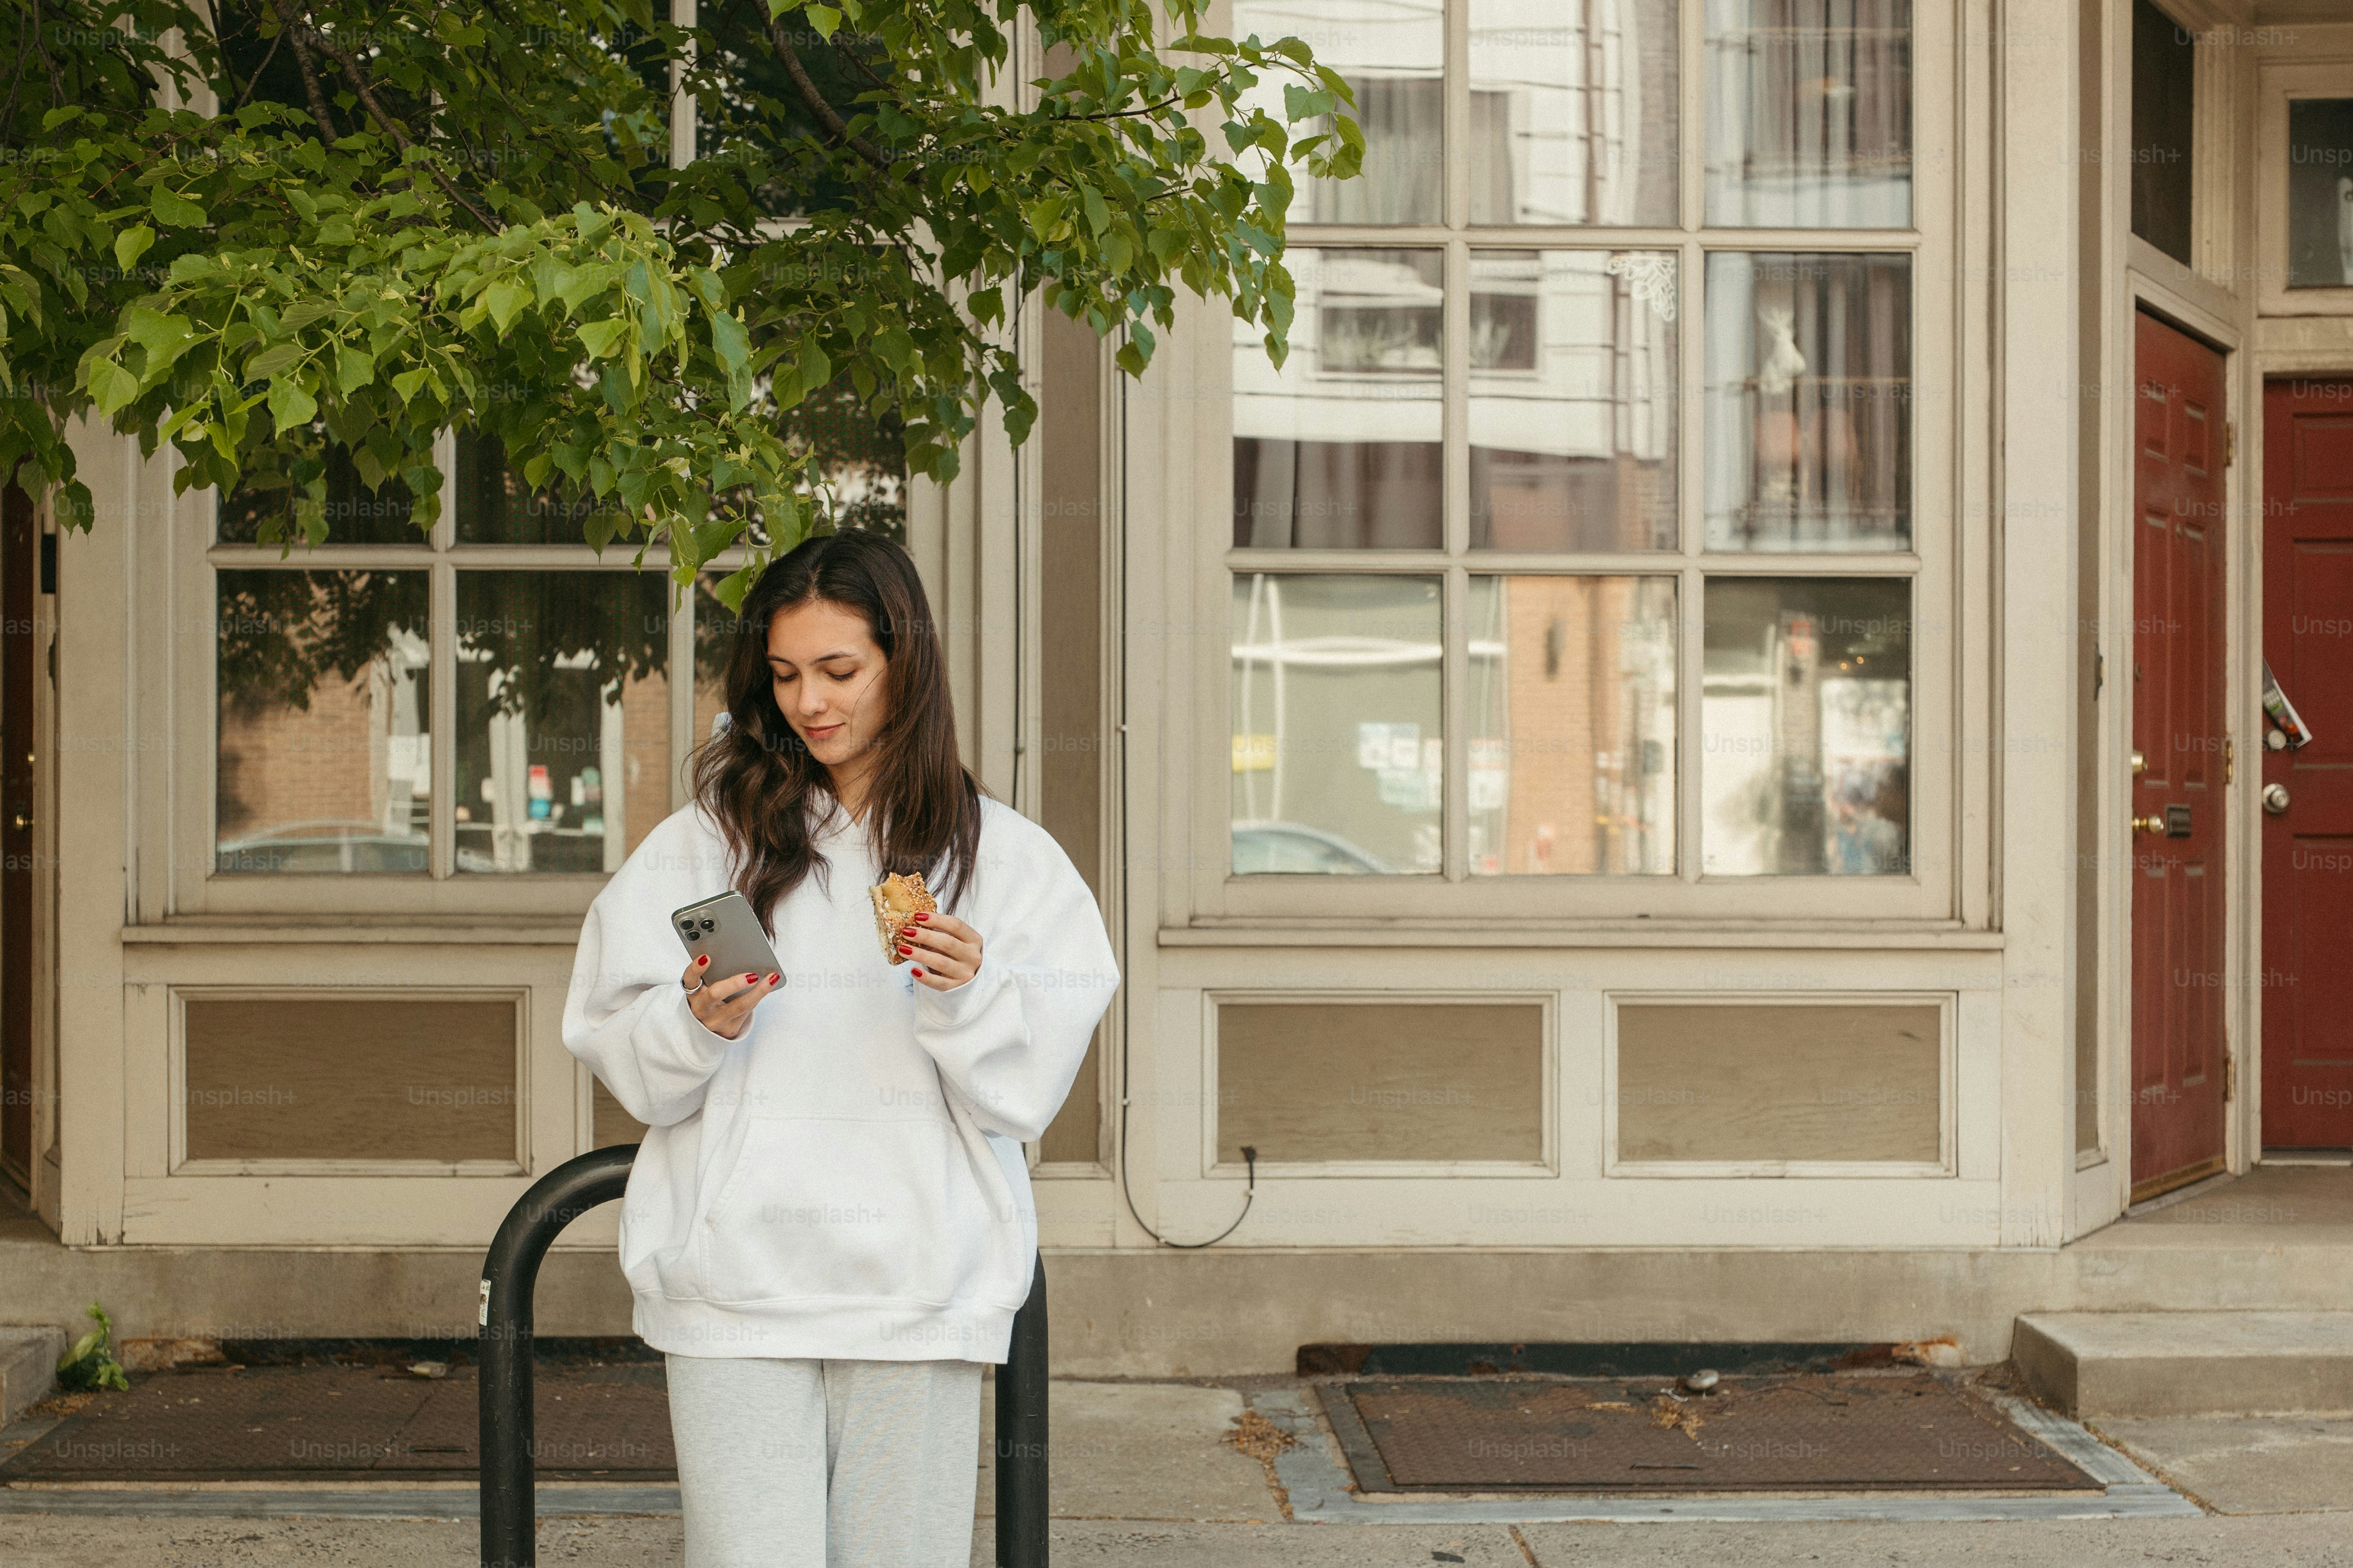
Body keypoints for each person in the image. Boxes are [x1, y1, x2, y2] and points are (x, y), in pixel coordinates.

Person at [563, 529, 1119, 1566]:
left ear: (905, 665)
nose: (810, 703)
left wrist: (968, 993)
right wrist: (697, 1022)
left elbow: (1027, 1093)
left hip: (917, 1287)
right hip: (735, 1283)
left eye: (839, 670)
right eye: (783, 675)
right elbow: (614, 1033)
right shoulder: (705, 843)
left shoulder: (1000, 858)